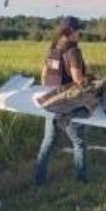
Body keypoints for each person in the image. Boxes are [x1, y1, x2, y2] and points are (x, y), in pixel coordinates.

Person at [34, 16, 88, 184]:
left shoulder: (53, 49)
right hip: (67, 104)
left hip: (51, 102)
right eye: (79, 30)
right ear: (71, 31)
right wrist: (89, 81)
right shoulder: (73, 51)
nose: (80, 34)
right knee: (79, 142)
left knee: (48, 141)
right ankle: (81, 180)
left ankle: (39, 179)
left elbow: (44, 75)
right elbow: (77, 79)